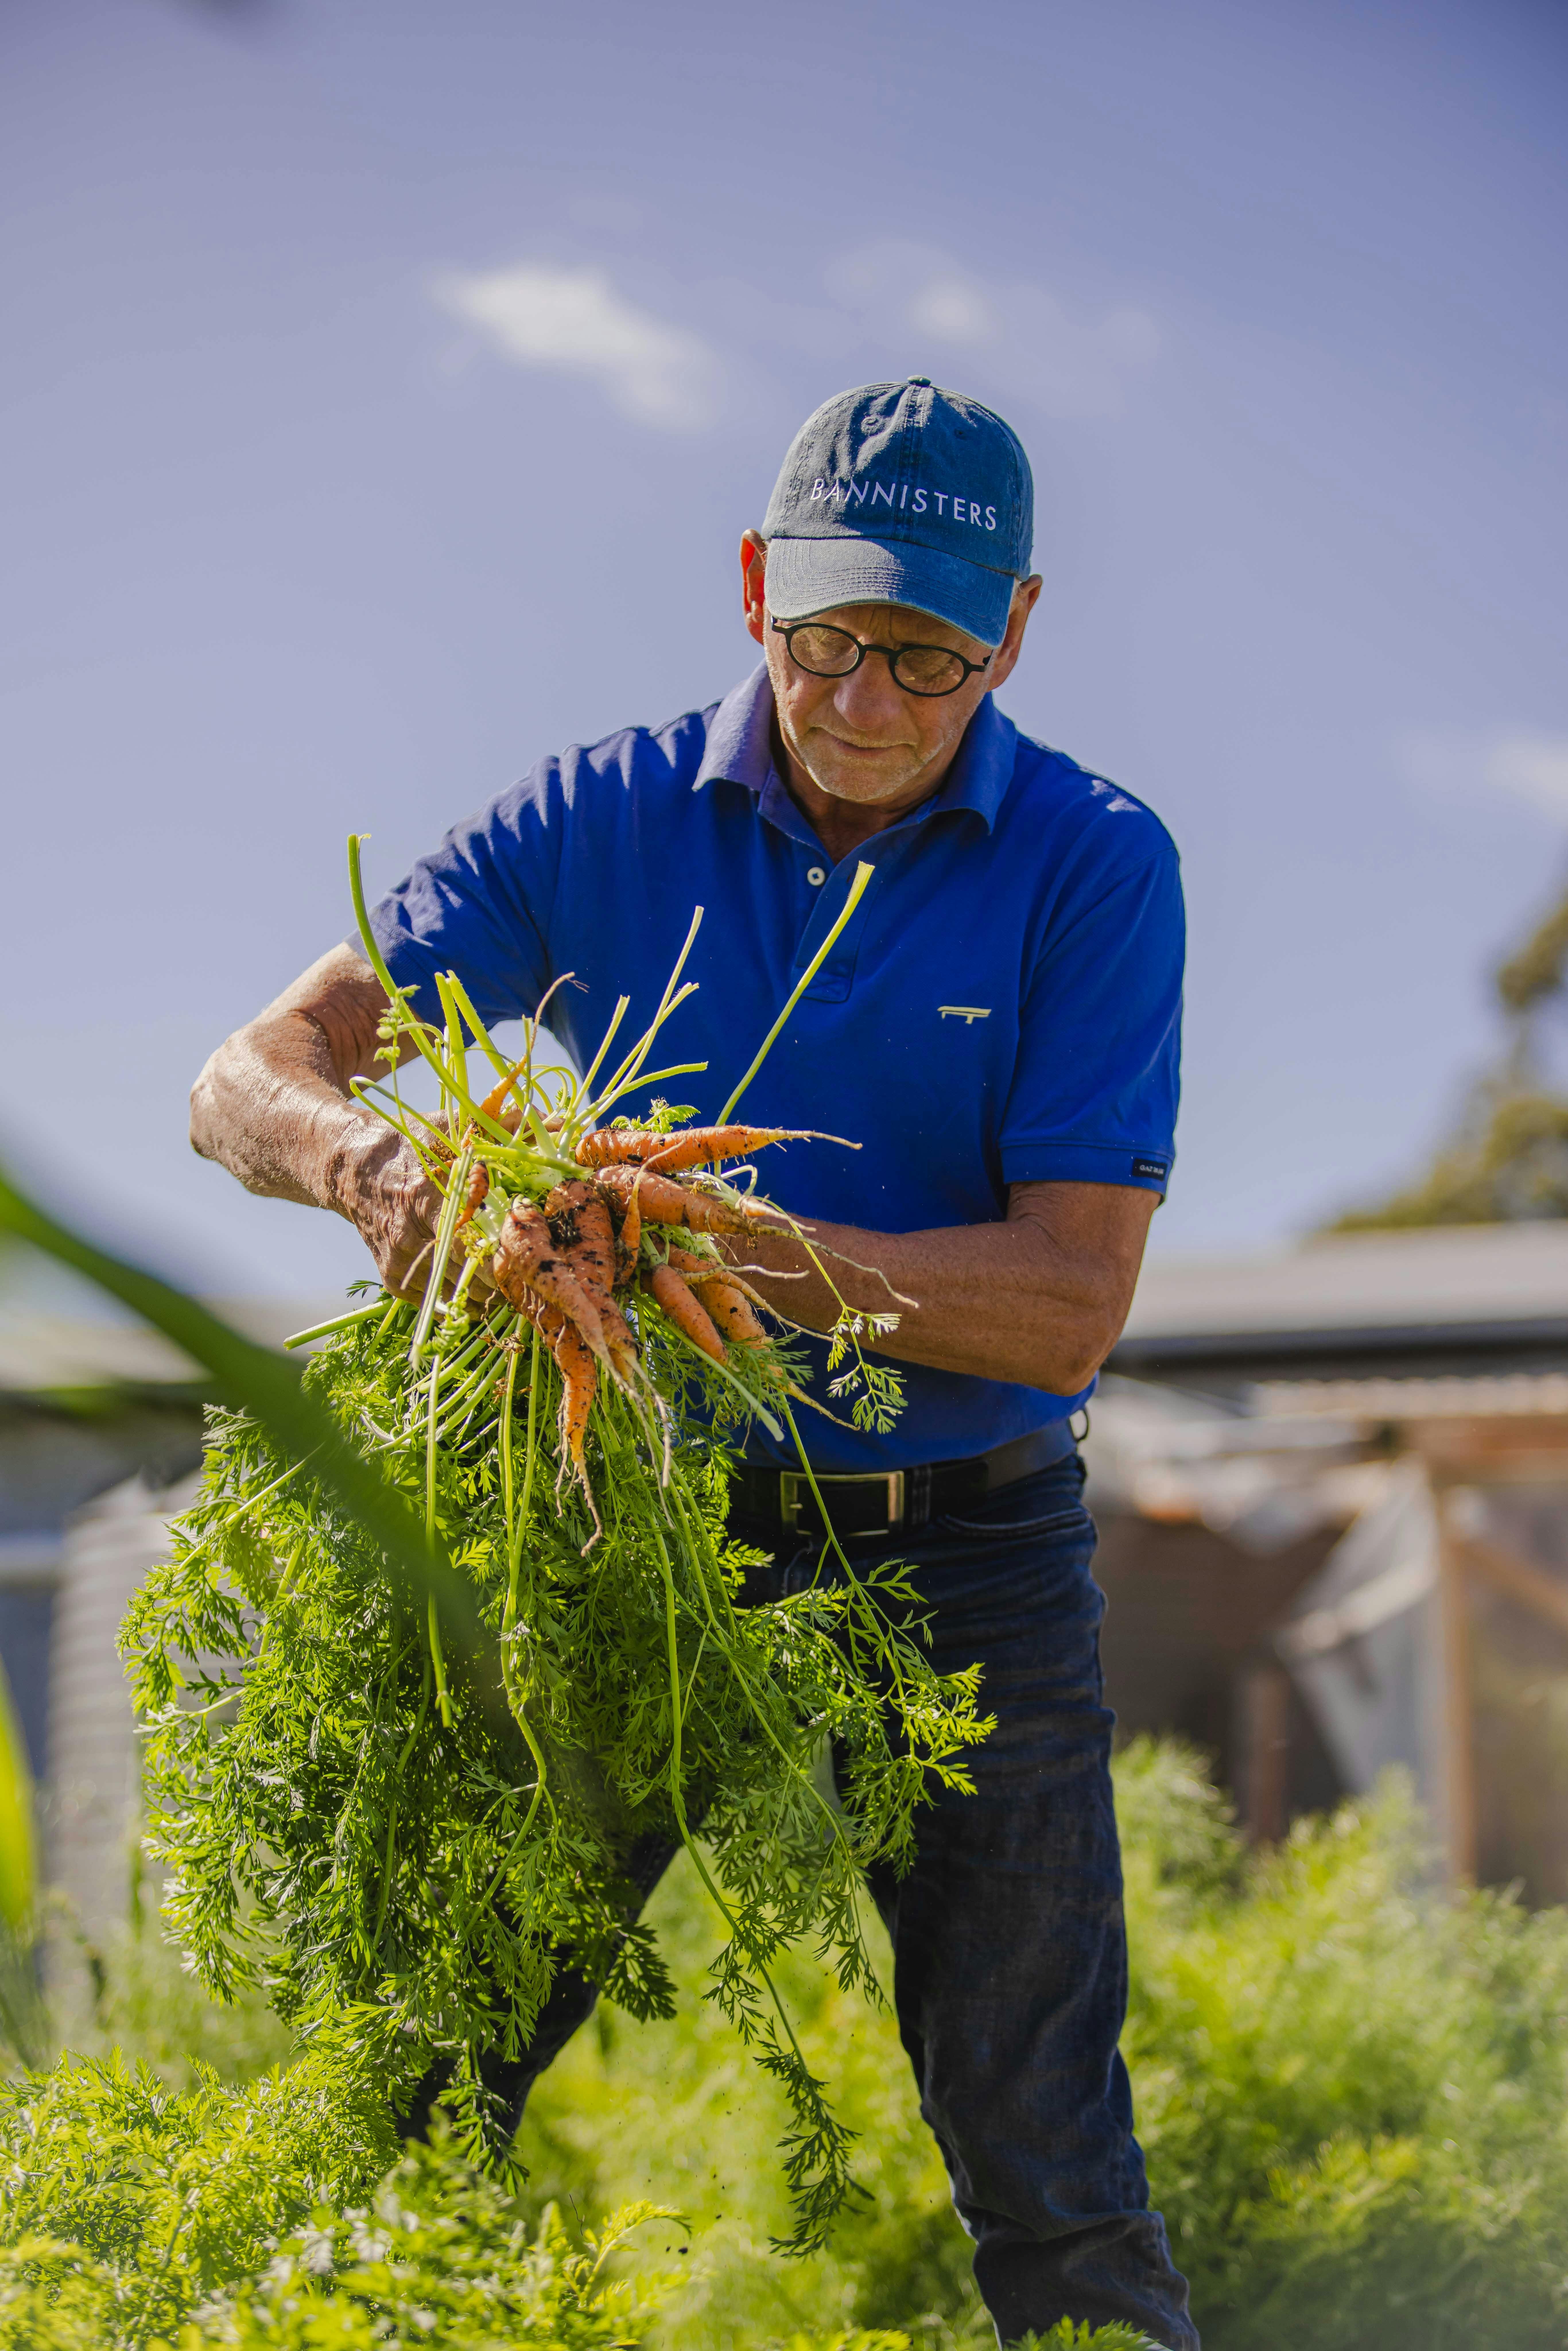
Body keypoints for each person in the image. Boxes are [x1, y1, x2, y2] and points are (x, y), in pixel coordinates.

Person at [191, 378, 1194, 2350]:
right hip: (641, 1519)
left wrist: (738, 1255)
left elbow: (1069, 1307)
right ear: (753, 590)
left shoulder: (1095, 865)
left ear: (1014, 634)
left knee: (1047, 2156)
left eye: (929, 653)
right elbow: (245, 1079)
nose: (869, 698)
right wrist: (381, 1176)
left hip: (969, 1552)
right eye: (831, 636)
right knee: (419, 2079)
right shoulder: (596, 821)